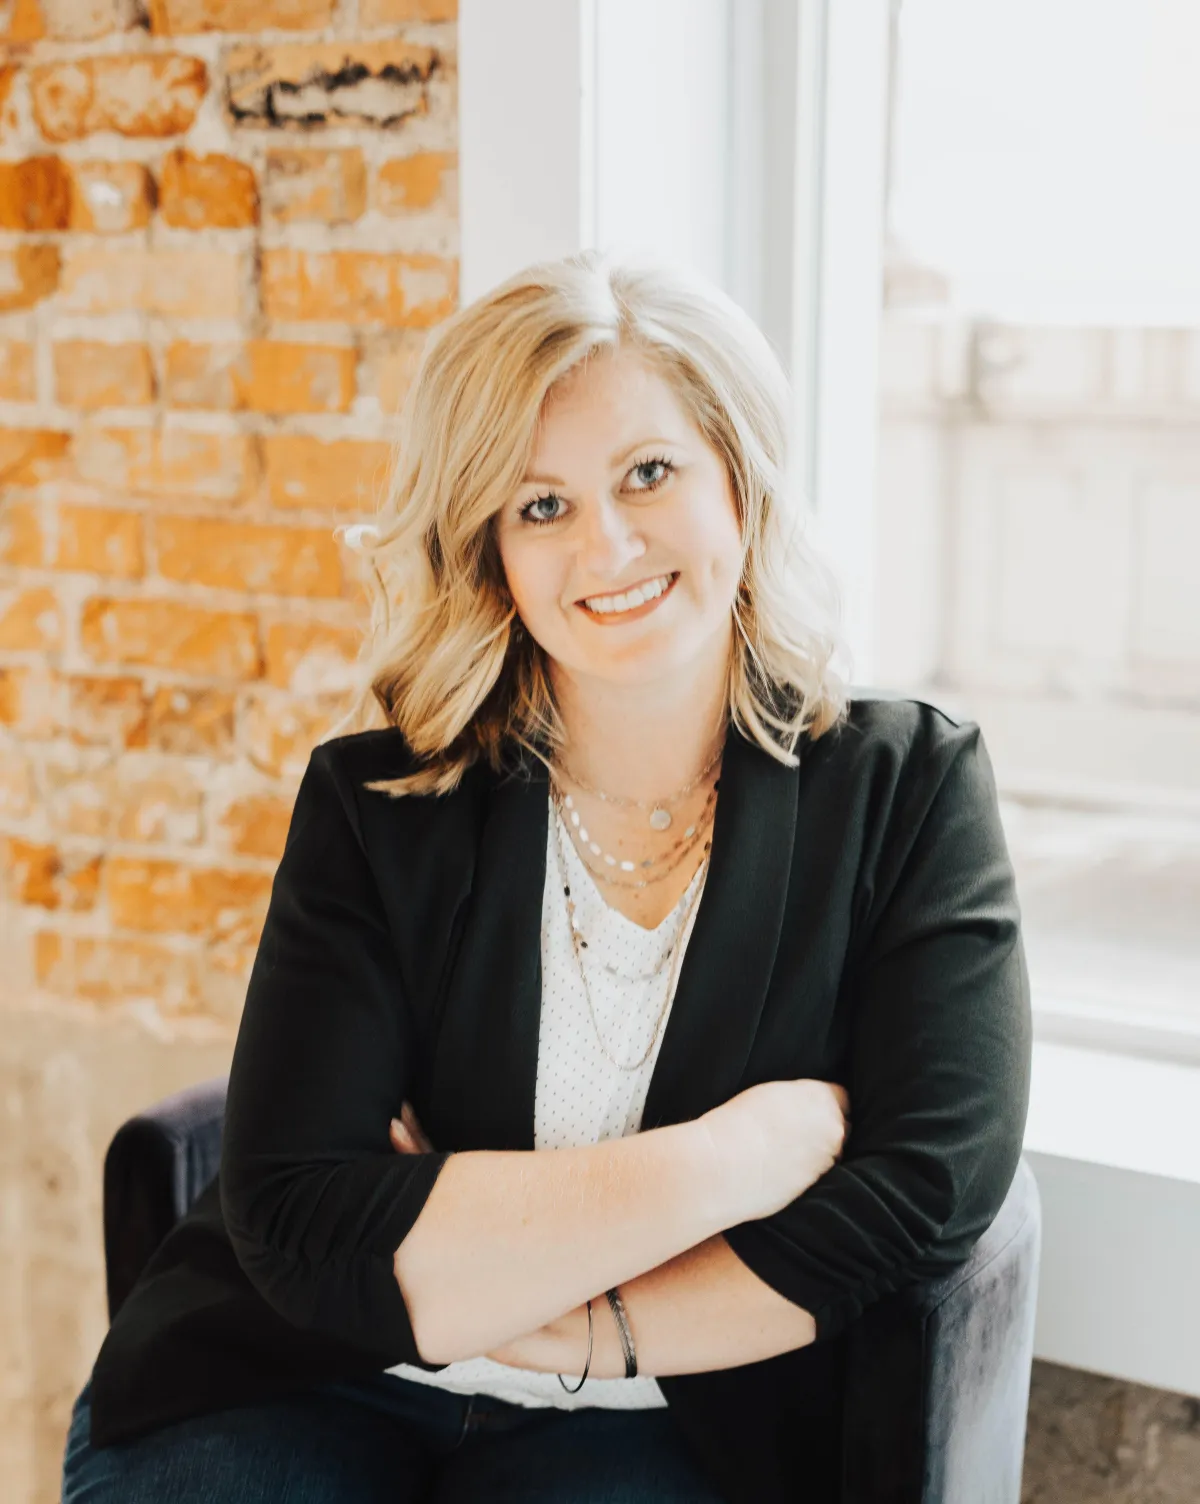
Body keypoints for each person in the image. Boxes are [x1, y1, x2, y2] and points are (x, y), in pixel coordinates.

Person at [61, 249, 1031, 1504]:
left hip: (673, 1421)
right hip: (306, 1371)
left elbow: (922, 1192)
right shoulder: (378, 803)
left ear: (737, 478)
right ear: (491, 553)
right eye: (540, 506)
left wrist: (561, 1321)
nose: (607, 544)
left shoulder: (909, 788)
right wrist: (733, 1160)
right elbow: (300, 1221)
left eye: (648, 472)